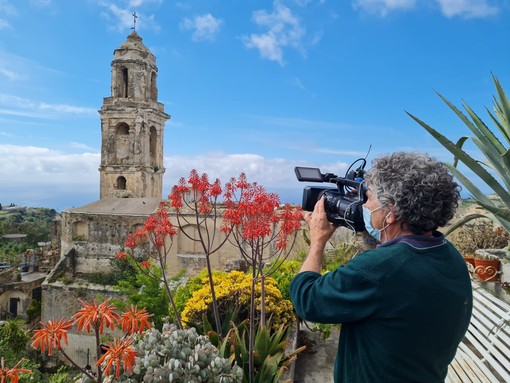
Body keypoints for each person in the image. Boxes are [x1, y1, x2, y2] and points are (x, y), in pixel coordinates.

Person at [290, 151, 473, 383]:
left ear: (391, 213)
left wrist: (317, 241)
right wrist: (378, 238)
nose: (363, 205)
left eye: (368, 198)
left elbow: (307, 298)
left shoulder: (381, 270)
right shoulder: (447, 254)